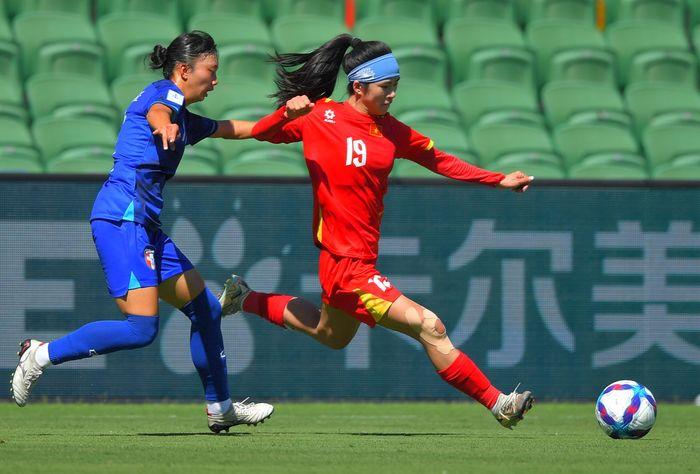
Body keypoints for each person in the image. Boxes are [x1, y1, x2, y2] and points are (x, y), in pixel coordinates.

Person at [219, 34, 535, 429]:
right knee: (429, 325)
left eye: (395, 86)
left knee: (330, 334)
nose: (392, 94)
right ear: (358, 86)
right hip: (345, 263)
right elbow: (263, 132)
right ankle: (498, 403)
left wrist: (497, 179)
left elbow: (440, 160)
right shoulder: (320, 116)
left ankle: (245, 298)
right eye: (385, 87)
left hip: (356, 260)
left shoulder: (392, 131)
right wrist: (286, 112)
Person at [11, 31, 273, 433]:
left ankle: (221, 408)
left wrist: (290, 122)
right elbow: (158, 112)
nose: (215, 80)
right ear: (184, 70)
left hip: (145, 225)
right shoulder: (165, 95)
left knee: (206, 310)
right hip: (123, 219)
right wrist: (163, 125)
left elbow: (234, 128)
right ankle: (40, 355)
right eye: (211, 71)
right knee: (140, 328)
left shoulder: (185, 118)